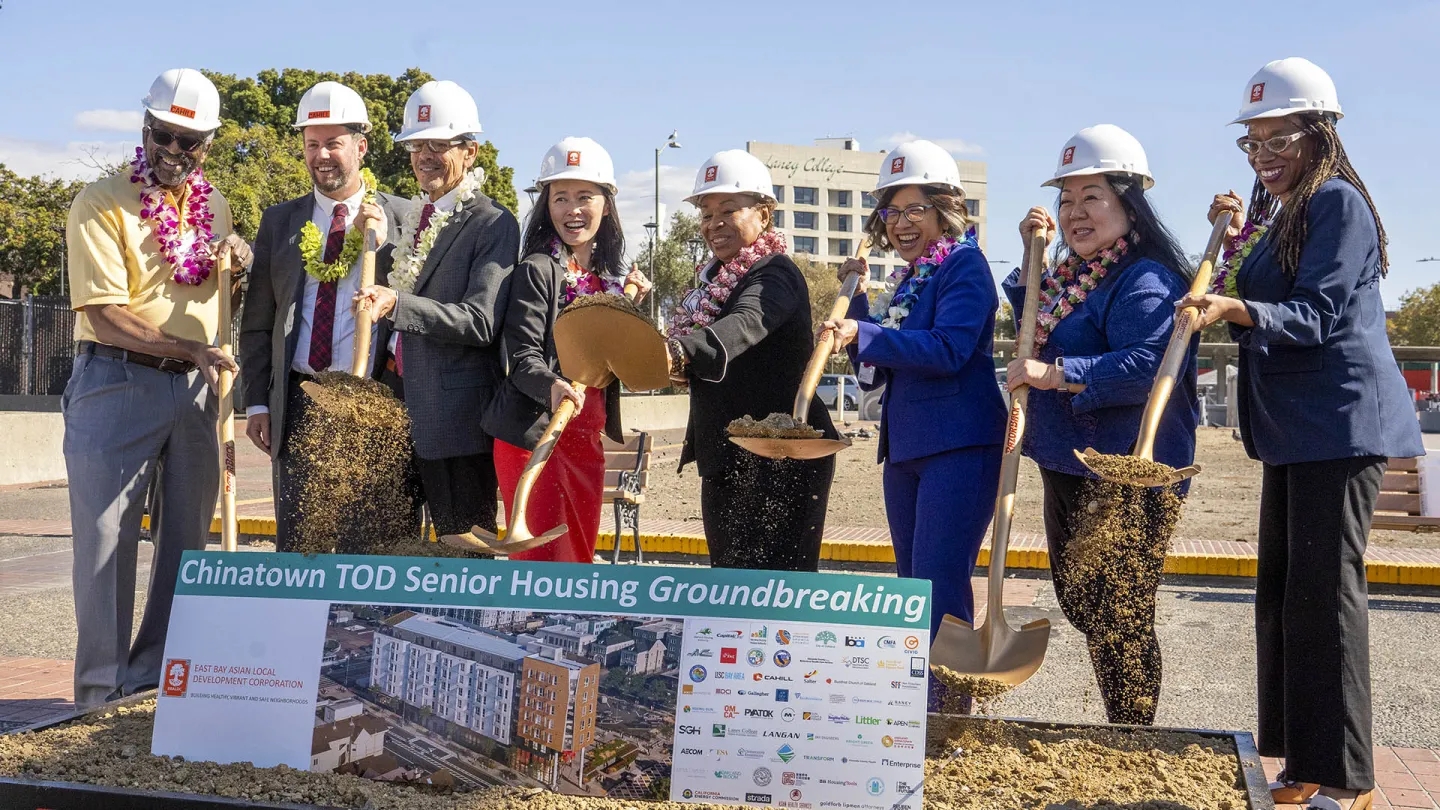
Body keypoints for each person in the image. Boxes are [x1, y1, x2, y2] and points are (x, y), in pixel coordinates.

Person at [1181, 58, 1422, 810]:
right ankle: (1301, 762)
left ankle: (1348, 777)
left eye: (1280, 139)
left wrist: (1233, 311)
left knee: (1327, 598)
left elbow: (1316, 315)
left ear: (1321, 134)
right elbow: (1250, 285)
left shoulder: (1340, 204)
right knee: (1285, 596)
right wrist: (1228, 242)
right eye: (1253, 144)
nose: (1266, 156)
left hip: (1341, 426)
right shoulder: (1278, 214)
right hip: (1292, 433)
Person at [63, 69, 251, 707]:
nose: (172, 152)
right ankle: (97, 699)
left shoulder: (215, 204)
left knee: (187, 549)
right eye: (161, 136)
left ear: (209, 143)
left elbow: (206, 290)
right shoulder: (100, 200)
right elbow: (106, 313)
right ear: (144, 129)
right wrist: (188, 348)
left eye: (188, 142)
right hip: (116, 383)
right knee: (105, 546)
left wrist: (239, 262)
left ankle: (155, 691)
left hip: (197, 393)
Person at [1003, 125, 1198, 726]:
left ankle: (1133, 731)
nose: (1075, 213)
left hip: (1129, 470)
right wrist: (1031, 255)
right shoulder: (1071, 276)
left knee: (1121, 610)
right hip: (1071, 460)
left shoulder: (1146, 280)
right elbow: (1039, 318)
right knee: (1084, 599)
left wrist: (1059, 374)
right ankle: (1124, 720)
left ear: (1129, 206)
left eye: (1092, 198)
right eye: (1067, 200)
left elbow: (1146, 364)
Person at [821, 139, 1005, 641]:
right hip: (905, 449)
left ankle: (947, 714)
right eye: (891, 211)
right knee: (911, 591)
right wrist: (856, 307)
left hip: (959, 447)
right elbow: (880, 360)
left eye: (915, 210)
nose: (900, 223)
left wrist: (867, 332)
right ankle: (917, 713)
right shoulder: (912, 278)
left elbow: (948, 349)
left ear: (946, 211)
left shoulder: (964, 265)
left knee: (937, 591)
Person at [238, 81, 409, 551]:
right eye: (312, 144)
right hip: (300, 401)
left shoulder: (403, 218)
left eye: (334, 143)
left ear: (362, 145)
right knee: (299, 545)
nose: (322, 155)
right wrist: (257, 402)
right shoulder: (279, 221)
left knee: (370, 545)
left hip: (372, 402)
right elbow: (257, 321)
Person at [353, 80, 518, 538]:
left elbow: (481, 321)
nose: (424, 155)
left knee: (464, 559)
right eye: (415, 145)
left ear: (471, 151)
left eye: (439, 144)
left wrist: (397, 304)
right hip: (393, 406)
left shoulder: (493, 221)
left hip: (456, 421)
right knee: (390, 552)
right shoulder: (411, 217)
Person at [666, 150, 838, 572]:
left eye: (728, 210)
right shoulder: (714, 282)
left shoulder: (774, 273)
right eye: (706, 214)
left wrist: (682, 350)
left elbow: (745, 322)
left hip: (784, 456)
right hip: (731, 455)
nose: (713, 223)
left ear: (763, 215)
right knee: (729, 586)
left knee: (779, 592)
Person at [481, 138, 649, 561]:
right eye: (560, 198)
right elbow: (522, 358)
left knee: (579, 557)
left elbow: (614, 363)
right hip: (536, 436)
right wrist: (552, 385)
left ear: (607, 204)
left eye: (584, 197)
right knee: (541, 564)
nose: (572, 210)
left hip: (584, 438)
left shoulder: (611, 279)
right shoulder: (537, 269)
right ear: (547, 205)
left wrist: (630, 315)